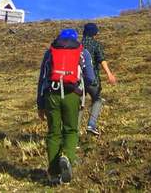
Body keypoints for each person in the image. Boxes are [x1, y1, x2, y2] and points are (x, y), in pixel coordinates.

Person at [36, 28, 95, 184]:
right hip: (72, 94)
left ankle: (54, 174)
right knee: (71, 130)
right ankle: (67, 157)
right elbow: (90, 77)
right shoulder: (83, 52)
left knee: (53, 133)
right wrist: (82, 91)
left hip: (51, 94)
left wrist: (40, 104)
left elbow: (42, 79)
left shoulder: (50, 52)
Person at [81, 22, 116, 136]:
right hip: (93, 79)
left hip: (78, 80)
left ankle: (74, 132)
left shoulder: (77, 45)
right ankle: (91, 125)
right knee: (97, 100)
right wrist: (109, 74)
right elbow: (101, 60)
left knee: (80, 104)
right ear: (94, 33)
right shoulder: (96, 44)